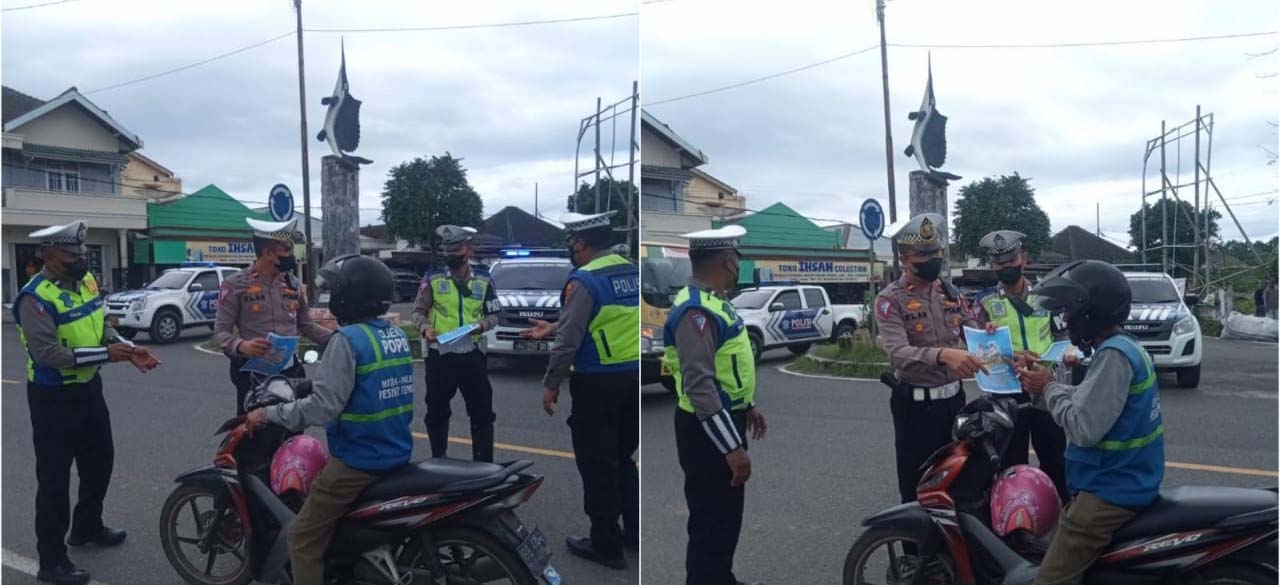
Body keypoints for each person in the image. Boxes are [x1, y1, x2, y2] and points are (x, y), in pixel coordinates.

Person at [245, 254, 415, 585]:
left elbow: (322, 408)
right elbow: (366, 384)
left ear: (350, 296)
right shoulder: (394, 337)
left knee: (302, 538)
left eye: (336, 291)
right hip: (396, 451)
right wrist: (307, 384)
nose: (331, 297)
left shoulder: (347, 340)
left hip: (358, 461)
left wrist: (268, 414)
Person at [12, 219, 161, 585]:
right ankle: (52, 560)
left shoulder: (88, 282)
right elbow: (49, 354)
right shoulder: (34, 298)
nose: (79, 259)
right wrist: (109, 355)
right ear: (47, 254)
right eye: (69, 254)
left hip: (89, 391)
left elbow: (100, 324)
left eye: (81, 252)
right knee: (54, 479)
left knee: (99, 463)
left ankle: (87, 527)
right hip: (52, 397)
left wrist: (125, 346)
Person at [1015, 259, 1165, 585]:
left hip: (1111, 492)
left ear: (1090, 313)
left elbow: (1083, 428)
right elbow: (1090, 398)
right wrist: (1046, 386)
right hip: (1126, 482)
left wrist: (1048, 388)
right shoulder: (1124, 348)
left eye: (1070, 311)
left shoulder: (1113, 356)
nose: (1067, 319)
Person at [522, 210, 640, 569]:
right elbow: (600, 319)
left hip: (596, 382)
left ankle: (605, 544)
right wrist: (554, 326)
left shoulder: (584, 280)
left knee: (597, 464)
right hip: (631, 376)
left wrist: (551, 385)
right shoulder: (630, 271)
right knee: (622, 459)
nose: (571, 251)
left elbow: (571, 340)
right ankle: (633, 533)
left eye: (572, 244)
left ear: (582, 243)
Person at [662, 225, 766, 585]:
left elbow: (728, 366)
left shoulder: (714, 302)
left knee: (725, 519)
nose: (738, 264)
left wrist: (748, 404)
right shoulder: (696, 312)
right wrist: (732, 448)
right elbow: (700, 386)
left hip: (724, 420)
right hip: (707, 432)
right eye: (736, 257)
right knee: (710, 523)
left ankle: (721, 577)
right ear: (728, 261)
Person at [874, 213, 987, 512]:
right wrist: (942, 355)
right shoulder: (890, 300)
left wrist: (986, 332)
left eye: (935, 252)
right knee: (916, 487)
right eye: (923, 254)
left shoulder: (949, 292)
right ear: (905, 257)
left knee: (960, 482)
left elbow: (971, 330)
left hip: (954, 402)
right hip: (916, 408)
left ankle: (953, 554)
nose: (932, 259)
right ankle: (917, 557)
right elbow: (898, 352)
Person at [968, 230, 1069, 501]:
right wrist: (992, 343)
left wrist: (1043, 360)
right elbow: (979, 354)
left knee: (1056, 462)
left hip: (1045, 388)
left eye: (1011, 261)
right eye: (999, 263)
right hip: (1005, 394)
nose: (1006, 268)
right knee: (1010, 468)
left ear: (1023, 259)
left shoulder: (1048, 296)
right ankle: (1015, 532)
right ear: (992, 265)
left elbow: (1064, 341)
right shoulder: (984, 302)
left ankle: (1061, 526)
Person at [214, 217, 333, 415]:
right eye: (286, 249)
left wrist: (339, 339)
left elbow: (306, 325)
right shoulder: (235, 284)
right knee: (256, 438)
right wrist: (242, 346)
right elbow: (220, 333)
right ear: (268, 253)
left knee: (292, 437)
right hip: (255, 376)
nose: (291, 255)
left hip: (291, 374)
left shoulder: (292, 283)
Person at [412, 224, 500, 461]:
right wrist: (425, 328)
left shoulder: (484, 279)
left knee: (482, 413)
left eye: (456, 253)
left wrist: (482, 325)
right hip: (440, 355)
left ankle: (484, 465)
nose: (451, 258)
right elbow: (418, 311)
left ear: (469, 250)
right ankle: (439, 460)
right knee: (437, 412)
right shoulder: (433, 277)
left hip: (472, 355)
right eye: (447, 253)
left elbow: (493, 315)